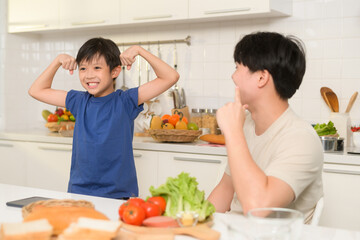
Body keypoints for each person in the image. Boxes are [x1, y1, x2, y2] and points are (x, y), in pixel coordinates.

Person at [28, 37, 179, 199]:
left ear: (114, 71)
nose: (89, 75)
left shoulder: (126, 101)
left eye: (97, 67)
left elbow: (170, 77)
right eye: (83, 68)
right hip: (80, 192)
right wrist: (57, 61)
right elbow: (36, 90)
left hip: (118, 194)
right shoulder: (78, 101)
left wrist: (139, 50)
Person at [207, 32, 323, 224]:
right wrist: (194, 226)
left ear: (261, 78)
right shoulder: (246, 124)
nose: (233, 77)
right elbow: (225, 190)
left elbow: (258, 208)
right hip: (236, 232)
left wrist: (233, 131)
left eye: (237, 68)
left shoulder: (301, 138)